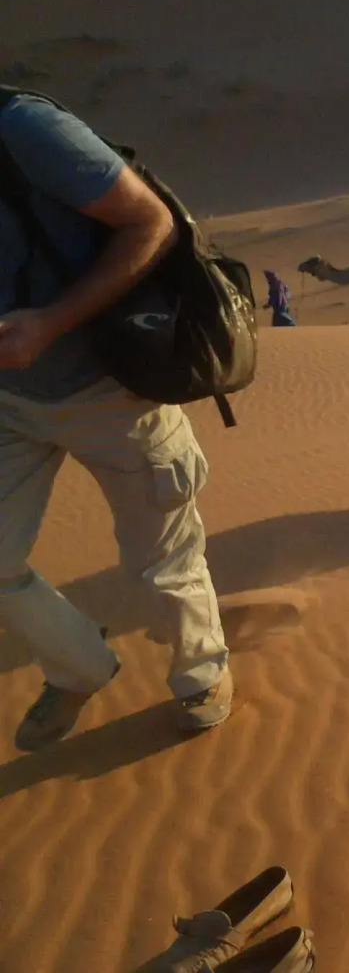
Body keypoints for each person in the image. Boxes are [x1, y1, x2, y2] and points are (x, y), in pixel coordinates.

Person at [0, 91, 232, 751]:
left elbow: (150, 223)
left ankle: (201, 674)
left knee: (161, 559)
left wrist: (51, 322)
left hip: (111, 389)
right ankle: (77, 667)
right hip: (8, 402)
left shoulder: (26, 130)